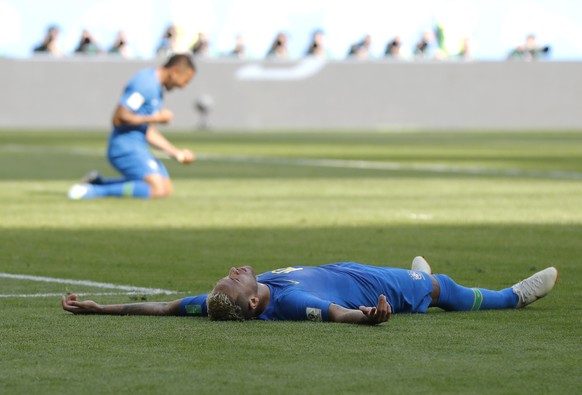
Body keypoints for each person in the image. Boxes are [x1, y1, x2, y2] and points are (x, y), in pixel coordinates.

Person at [62, 257, 558, 326]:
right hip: (374, 287)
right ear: (254, 302)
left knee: (424, 285)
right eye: (234, 280)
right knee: (437, 286)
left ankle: (421, 289)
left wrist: (98, 307)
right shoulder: (291, 304)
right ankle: (512, 295)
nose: (234, 271)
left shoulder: (220, 305)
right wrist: (370, 317)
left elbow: (166, 307)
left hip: (347, 268)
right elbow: (336, 313)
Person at [67, 54, 196, 200]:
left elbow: (149, 131)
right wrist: (156, 118)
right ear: (175, 71)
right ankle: (91, 192)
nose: (184, 87)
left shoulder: (157, 88)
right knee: (157, 189)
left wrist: (176, 153)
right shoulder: (145, 84)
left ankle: (99, 183)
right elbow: (119, 117)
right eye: (185, 81)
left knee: (165, 188)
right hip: (124, 147)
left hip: (138, 146)